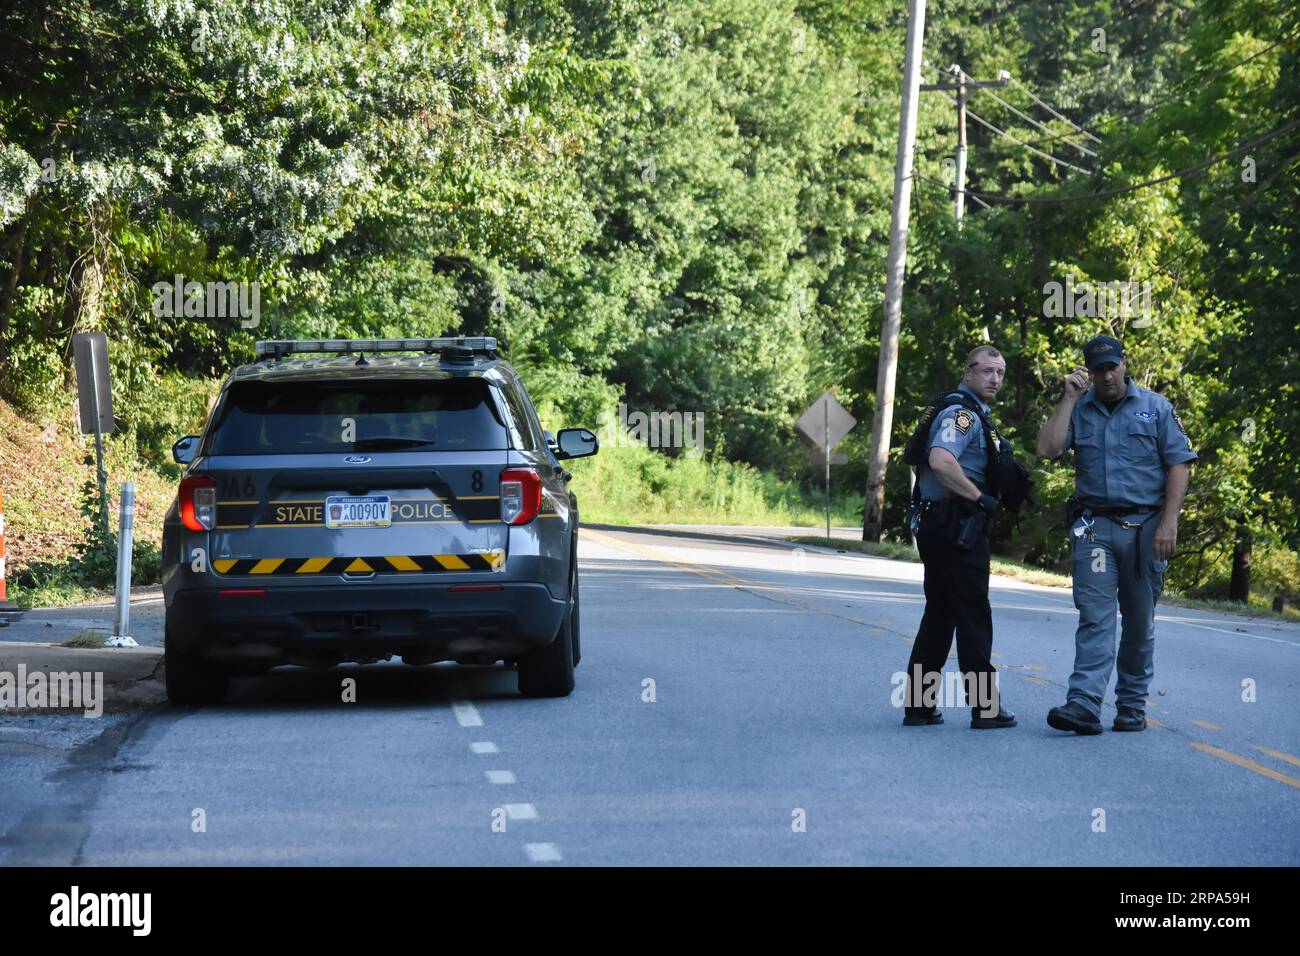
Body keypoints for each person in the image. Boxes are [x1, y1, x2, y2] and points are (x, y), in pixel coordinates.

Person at [1036, 335, 1196, 734]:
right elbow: (1047, 448)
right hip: (1095, 528)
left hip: (1145, 529)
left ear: (1125, 365)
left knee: (1139, 622)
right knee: (1095, 616)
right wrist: (1068, 399)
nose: (1106, 375)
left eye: (1112, 366)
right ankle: (1084, 704)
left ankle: (1130, 704)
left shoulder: (1156, 409)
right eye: (1098, 369)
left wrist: (1169, 523)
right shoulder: (1080, 408)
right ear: (1088, 372)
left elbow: (1179, 464)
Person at [900, 344, 1019, 729]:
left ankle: (919, 706)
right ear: (967, 373)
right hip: (956, 529)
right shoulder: (963, 415)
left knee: (940, 614)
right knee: (972, 616)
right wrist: (980, 498)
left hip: (942, 527)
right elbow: (940, 459)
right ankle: (986, 710)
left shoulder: (968, 412)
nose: (995, 379)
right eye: (987, 371)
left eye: (1000, 373)